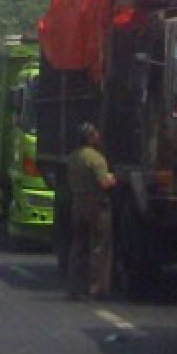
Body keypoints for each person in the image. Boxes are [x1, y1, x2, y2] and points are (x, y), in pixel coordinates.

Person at [66, 122, 117, 300]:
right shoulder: (96, 158)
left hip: (77, 203)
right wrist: (113, 178)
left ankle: (74, 288)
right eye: (95, 133)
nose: (98, 136)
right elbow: (104, 183)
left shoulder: (72, 157)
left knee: (78, 246)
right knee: (99, 247)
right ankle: (96, 288)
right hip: (96, 205)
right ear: (89, 138)